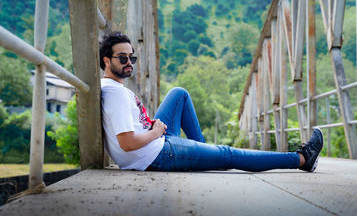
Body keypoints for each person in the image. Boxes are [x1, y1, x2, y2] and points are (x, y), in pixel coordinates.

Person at [100, 32, 323, 172]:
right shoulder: (116, 94)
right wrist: (157, 132)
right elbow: (127, 144)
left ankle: (207, 154)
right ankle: (302, 158)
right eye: (123, 58)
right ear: (107, 61)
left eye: (132, 57)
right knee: (229, 154)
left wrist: (156, 130)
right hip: (156, 154)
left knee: (179, 94)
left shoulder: (110, 87)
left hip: (154, 141)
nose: (129, 62)